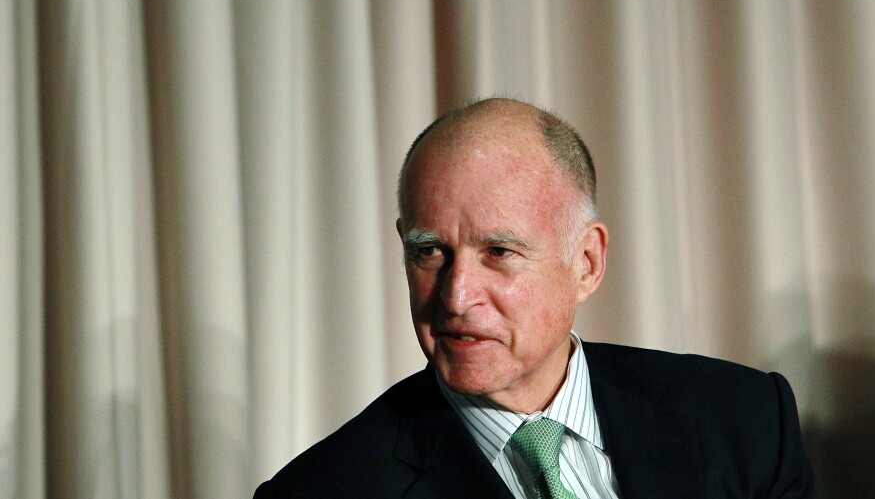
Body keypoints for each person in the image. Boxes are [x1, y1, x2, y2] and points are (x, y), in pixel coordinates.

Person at [254, 98, 814, 498]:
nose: (456, 296)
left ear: (587, 263)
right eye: (429, 252)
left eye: (499, 251)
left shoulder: (745, 421)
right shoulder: (324, 488)